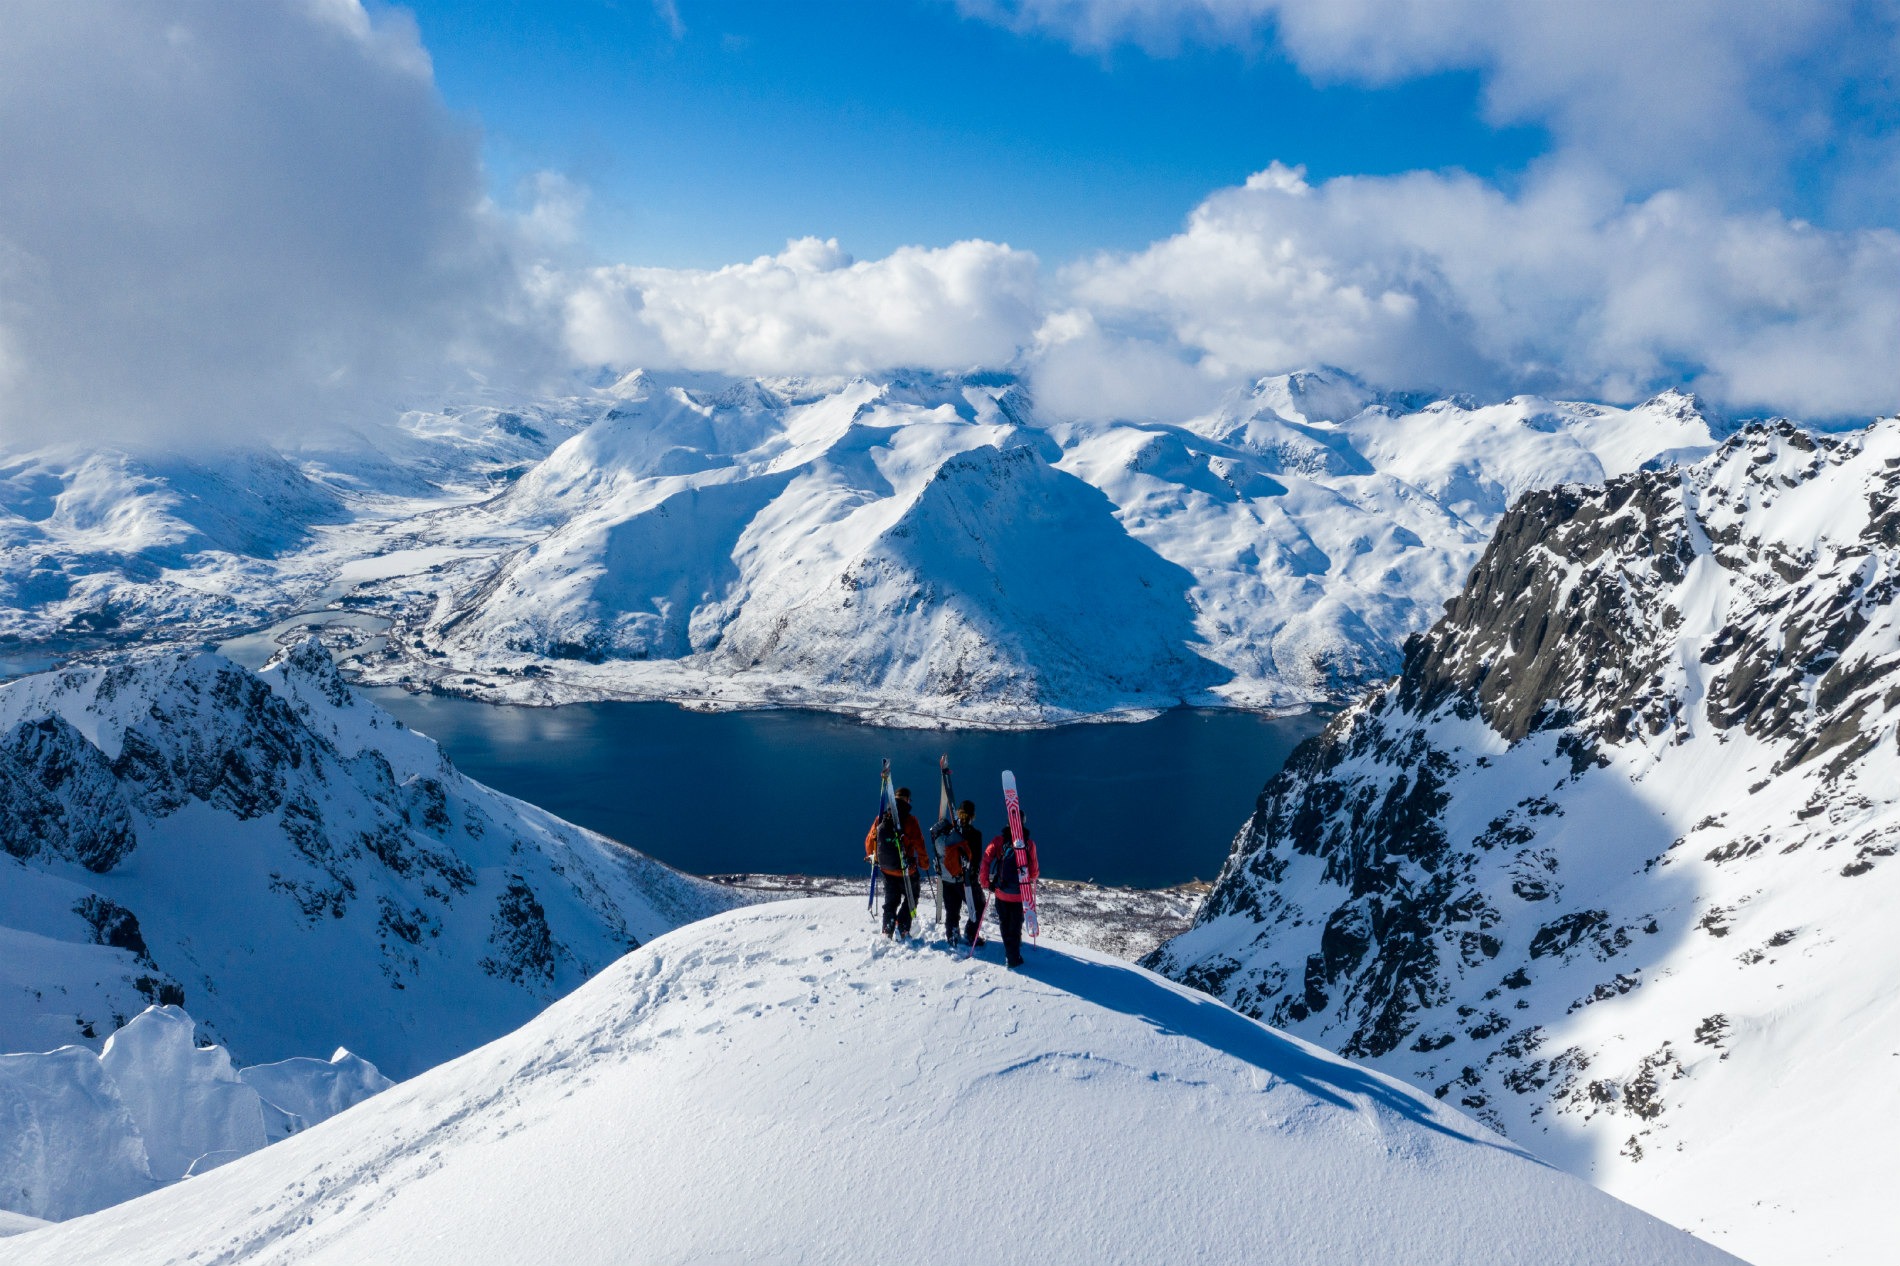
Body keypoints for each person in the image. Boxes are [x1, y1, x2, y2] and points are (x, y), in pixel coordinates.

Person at [864, 786, 929, 938]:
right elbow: (920, 844)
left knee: (890, 902)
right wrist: (924, 864)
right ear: (906, 800)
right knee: (912, 898)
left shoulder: (881, 817)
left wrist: (872, 856)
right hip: (907, 870)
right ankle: (903, 927)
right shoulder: (911, 821)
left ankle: (888, 929)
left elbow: (870, 840)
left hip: (887, 869)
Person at [979, 818, 1039, 968]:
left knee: (1004, 922)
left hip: (1001, 891)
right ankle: (1013, 955)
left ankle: (1010, 951)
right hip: (1020, 894)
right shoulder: (1029, 844)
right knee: (1016, 924)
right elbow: (1034, 873)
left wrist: (986, 882)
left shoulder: (999, 841)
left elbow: (986, 860)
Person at [937, 800, 986, 946]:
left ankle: (952, 937)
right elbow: (976, 859)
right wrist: (973, 878)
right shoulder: (975, 834)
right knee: (979, 905)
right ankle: (971, 935)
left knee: (952, 910)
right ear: (972, 815)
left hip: (947, 878)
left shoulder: (949, 831)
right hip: (964, 880)